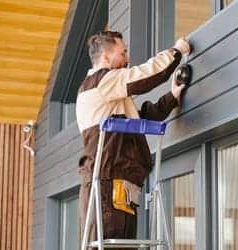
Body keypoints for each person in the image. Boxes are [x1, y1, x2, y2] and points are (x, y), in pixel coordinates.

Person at [75, 31, 191, 248]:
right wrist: (177, 52)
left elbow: (140, 117)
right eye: (123, 52)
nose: (127, 59)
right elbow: (145, 75)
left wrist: (172, 97)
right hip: (107, 186)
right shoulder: (102, 81)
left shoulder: (104, 92)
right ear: (106, 57)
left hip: (114, 186)